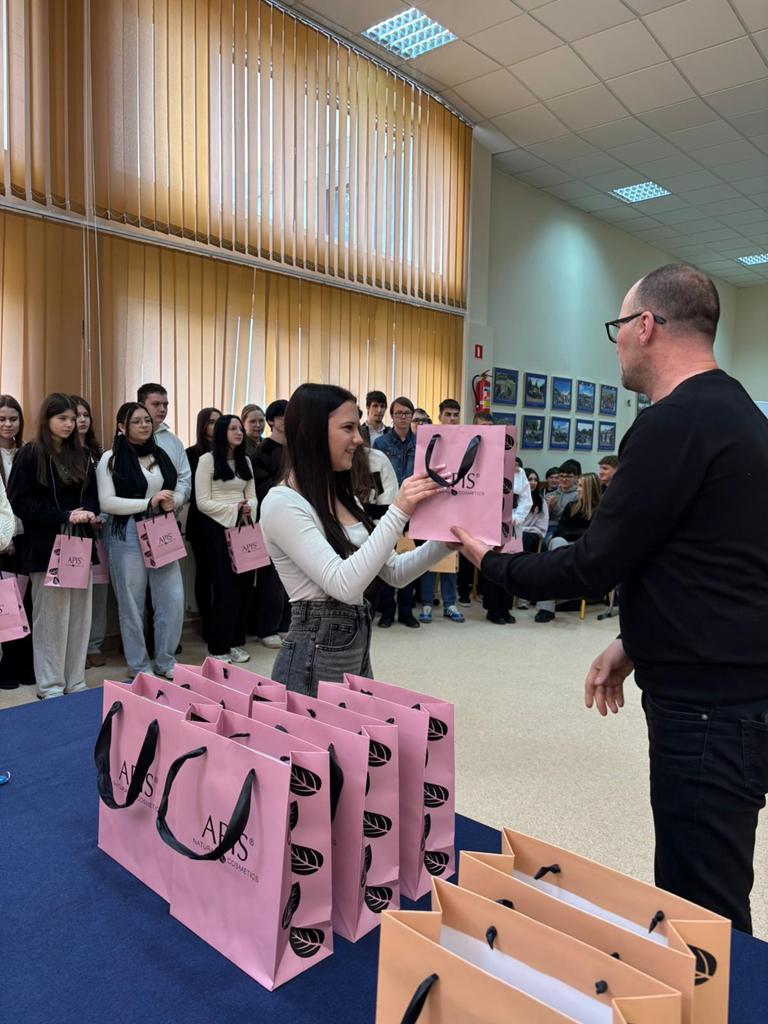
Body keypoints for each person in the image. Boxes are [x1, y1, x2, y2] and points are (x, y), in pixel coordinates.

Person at [450, 263, 768, 934]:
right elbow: (708, 562)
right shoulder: (740, 414)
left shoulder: (671, 424)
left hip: (707, 710)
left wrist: (493, 562)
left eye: (617, 326)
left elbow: (593, 564)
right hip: (732, 692)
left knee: (701, 910)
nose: (616, 342)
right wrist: (633, 641)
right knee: (709, 883)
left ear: (645, 326)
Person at [260, 383, 448, 695]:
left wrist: (445, 543)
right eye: (348, 428)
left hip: (354, 648)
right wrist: (398, 511)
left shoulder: (345, 498)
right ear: (311, 432)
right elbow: (344, 585)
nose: (359, 439)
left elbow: (394, 572)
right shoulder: (282, 503)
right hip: (311, 657)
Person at [8, 393, 99, 700]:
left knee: (79, 616)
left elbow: (93, 496)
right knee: (51, 619)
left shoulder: (82, 454)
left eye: (73, 419)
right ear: (47, 419)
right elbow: (19, 501)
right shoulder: (30, 454)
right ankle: (50, 685)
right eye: (63, 418)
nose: (70, 424)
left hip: (79, 542)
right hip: (46, 545)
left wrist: (88, 512)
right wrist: (63, 515)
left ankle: (75, 680)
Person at [96, 402, 186, 681]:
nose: (145, 425)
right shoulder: (110, 458)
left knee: (172, 599)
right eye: (136, 421)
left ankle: (166, 660)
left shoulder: (160, 453)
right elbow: (106, 502)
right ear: (121, 426)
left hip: (161, 528)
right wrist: (147, 502)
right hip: (127, 532)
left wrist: (174, 501)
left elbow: (175, 489)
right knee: (132, 604)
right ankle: (139, 665)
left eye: (147, 420)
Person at [195, 415, 258, 664]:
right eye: (233, 428)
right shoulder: (206, 460)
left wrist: (249, 507)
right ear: (222, 432)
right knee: (225, 589)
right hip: (216, 529)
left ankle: (235, 643)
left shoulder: (246, 461)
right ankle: (217, 646)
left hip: (243, 527)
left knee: (244, 588)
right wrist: (234, 509)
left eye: (240, 428)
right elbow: (202, 502)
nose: (239, 432)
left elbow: (252, 495)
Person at [373, 397, 420, 629]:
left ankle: (406, 611)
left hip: (414, 508)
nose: (402, 417)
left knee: (409, 560)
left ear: (412, 416)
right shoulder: (381, 443)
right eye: (398, 413)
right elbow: (375, 476)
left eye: (407, 413)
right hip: (388, 508)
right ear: (392, 416)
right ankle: (387, 611)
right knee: (386, 558)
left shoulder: (420, 443)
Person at [418, 398, 465, 624]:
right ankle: (427, 603)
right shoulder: (431, 438)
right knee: (430, 555)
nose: (452, 419)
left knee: (451, 555)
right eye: (448, 414)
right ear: (439, 416)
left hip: (457, 503)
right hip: (434, 503)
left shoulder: (466, 439)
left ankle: (450, 603)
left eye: (456, 415)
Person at [533, 472, 602, 623]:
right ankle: (550, 606)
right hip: (566, 545)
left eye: (581, 486)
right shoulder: (571, 506)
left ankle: (553, 601)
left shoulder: (602, 509)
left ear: (590, 488)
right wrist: (573, 536)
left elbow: (594, 534)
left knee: (556, 555)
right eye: (578, 485)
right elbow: (561, 530)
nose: (578, 489)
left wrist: (575, 536)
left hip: (587, 547)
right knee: (557, 543)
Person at [0, 395, 34, 689]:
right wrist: (5, 536)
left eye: (13, 418)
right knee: (7, 605)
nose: (8, 424)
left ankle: (26, 664)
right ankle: (8, 666)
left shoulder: (28, 452)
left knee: (28, 604)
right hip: (3, 542)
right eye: (2, 419)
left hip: (29, 540)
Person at [73, 396, 108, 669]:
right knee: (76, 592)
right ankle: (77, 650)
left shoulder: (100, 453)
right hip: (74, 530)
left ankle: (94, 644)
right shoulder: (58, 453)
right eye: (76, 416)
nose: (82, 420)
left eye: (86, 414)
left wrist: (100, 516)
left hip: (100, 530)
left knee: (98, 591)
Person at [185, 406, 222, 643]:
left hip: (226, 521)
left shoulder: (229, 452)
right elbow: (193, 491)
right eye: (211, 422)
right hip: (200, 522)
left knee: (223, 577)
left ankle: (222, 622)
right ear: (202, 426)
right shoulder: (192, 454)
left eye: (219, 421)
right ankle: (207, 623)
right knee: (204, 574)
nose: (215, 426)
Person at [482, 456, 532, 626]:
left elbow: (526, 499)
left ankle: (506, 608)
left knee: (509, 567)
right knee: (492, 565)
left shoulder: (519, 473)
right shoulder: (487, 471)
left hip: (513, 525)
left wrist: (516, 517)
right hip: (491, 524)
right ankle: (493, 610)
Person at [136, 383, 192, 504]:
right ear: (141, 406)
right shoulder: (126, 440)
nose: (162, 409)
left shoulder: (174, 441)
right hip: (133, 510)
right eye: (156, 404)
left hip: (168, 511)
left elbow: (184, 479)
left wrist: (175, 500)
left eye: (165, 405)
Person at [543, 458, 580, 546]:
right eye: (561, 476)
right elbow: (542, 517)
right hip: (546, 526)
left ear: (576, 478)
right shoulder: (550, 494)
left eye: (568, 476)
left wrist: (555, 507)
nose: (564, 479)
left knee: (548, 541)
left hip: (566, 529)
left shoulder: (578, 495)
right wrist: (548, 508)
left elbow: (571, 519)